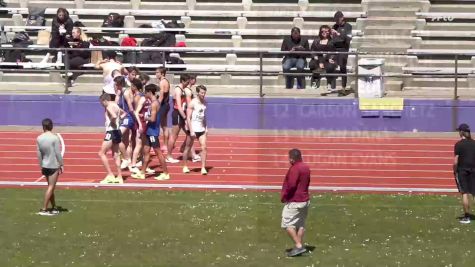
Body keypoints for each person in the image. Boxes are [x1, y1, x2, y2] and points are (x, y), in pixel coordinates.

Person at [131, 84, 170, 181]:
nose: (144, 94)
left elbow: (152, 119)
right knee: (146, 152)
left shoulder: (154, 104)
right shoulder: (153, 102)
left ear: (149, 92)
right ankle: (142, 173)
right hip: (149, 130)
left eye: (145, 92)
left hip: (153, 131)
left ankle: (166, 173)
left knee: (158, 152)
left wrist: (143, 116)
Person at [281, 149, 310, 257]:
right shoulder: (306, 167)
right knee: (300, 224)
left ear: (292, 158)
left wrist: (285, 196)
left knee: (287, 224)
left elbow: (292, 185)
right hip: (305, 200)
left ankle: (298, 246)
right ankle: (299, 247)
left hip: (295, 201)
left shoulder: (295, 169)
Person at [36, 118, 64, 216]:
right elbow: (57, 153)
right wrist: (61, 164)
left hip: (45, 165)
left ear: (43, 127)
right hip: (53, 165)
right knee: (51, 187)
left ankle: (54, 207)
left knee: (50, 187)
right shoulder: (54, 138)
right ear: (51, 126)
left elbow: (39, 154)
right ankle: (44, 209)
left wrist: (41, 165)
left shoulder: (39, 138)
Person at [98, 93, 126, 184]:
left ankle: (110, 175)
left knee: (101, 153)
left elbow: (113, 116)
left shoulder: (109, 106)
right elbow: (124, 113)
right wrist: (118, 121)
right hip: (117, 131)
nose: (101, 105)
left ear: (104, 101)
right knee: (116, 154)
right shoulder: (116, 105)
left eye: (101, 103)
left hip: (111, 131)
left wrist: (112, 122)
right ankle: (120, 176)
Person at [183, 85, 208, 175]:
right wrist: (191, 130)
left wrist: (206, 128)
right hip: (192, 129)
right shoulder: (192, 103)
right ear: (198, 92)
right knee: (188, 148)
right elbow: (188, 118)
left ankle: (203, 167)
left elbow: (204, 117)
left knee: (204, 147)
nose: (203, 94)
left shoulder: (205, 102)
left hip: (201, 129)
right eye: (201, 92)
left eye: (204, 93)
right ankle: (185, 166)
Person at [453, 123, 475, 224]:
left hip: (462, 170)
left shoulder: (458, 144)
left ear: (461, 132)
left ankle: (467, 216)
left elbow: (456, 161)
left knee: (465, 193)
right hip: (474, 170)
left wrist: (454, 170)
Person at [166, 74, 191, 163]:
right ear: (183, 81)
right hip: (178, 114)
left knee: (190, 133)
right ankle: (168, 156)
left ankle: (183, 148)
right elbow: (179, 106)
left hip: (182, 114)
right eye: (187, 82)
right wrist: (185, 118)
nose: (188, 84)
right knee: (174, 135)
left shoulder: (184, 89)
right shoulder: (178, 90)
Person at [309, 25, 337, 93]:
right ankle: (315, 80)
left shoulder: (332, 41)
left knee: (330, 66)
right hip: (318, 58)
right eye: (322, 31)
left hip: (328, 58)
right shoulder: (316, 41)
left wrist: (329, 58)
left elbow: (334, 52)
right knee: (312, 64)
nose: (324, 33)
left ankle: (329, 83)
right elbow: (312, 51)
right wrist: (317, 58)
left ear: (329, 32)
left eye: (326, 31)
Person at [332, 11, 352, 91]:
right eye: (335, 20)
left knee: (342, 66)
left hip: (343, 49)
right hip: (334, 48)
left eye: (337, 19)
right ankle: (331, 86)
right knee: (330, 65)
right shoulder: (335, 26)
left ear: (342, 18)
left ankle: (343, 86)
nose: (336, 21)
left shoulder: (348, 26)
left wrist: (339, 34)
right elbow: (333, 39)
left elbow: (348, 38)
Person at [156, 67, 170, 153]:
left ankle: (156, 145)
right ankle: (165, 145)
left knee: (156, 125)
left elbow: (161, 97)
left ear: (162, 74)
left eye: (158, 72)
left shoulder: (162, 82)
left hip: (162, 106)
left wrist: (156, 105)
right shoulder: (166, 81)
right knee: (164, 126)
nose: (156, 74)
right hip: (166, 105)